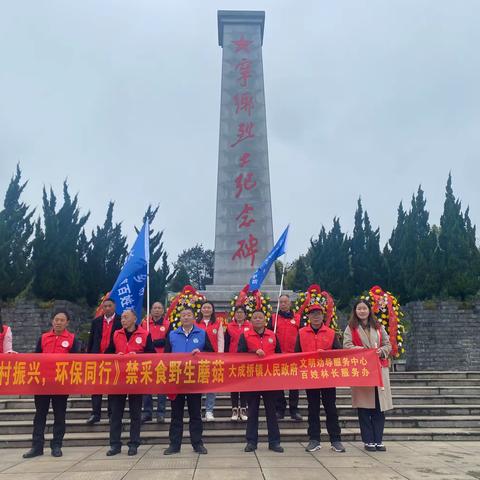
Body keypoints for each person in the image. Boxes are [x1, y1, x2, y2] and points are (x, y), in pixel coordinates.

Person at [23, 310, 80, 458]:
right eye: (56, 319)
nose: (58, 322)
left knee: (59, 415)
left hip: (61, 384)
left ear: (67, 322)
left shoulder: (72, 339)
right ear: (52, 321)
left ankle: (56, 445)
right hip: (43, 383)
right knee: (40, 415)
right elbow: (35, 359)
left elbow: (77, 362)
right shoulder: (43, 338)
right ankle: (37, 447)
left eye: (62, 320)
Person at [343, 299, 393, 452]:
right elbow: (347, 345)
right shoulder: (350, 328)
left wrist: (381, 351)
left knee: (379, 408)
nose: (362, 311)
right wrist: (363, 352)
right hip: (362, 371)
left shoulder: (378, 327)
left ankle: (378, 440)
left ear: (369, 310)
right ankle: (368, 440)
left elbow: (388, 344)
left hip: (378, 369)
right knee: (364, 408)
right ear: (355, 311)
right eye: (359, 308)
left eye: (364, 308)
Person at [295, 304, 346, 453]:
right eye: (313, 314)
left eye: (318, 314)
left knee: (331, 408)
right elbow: (297, 354)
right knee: (313, 408)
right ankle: (314, 439)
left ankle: (335, 440)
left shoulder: (331, 333)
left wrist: (326, 354)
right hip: (311, 376)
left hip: (328, 376)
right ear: (308, 317)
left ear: (323, 316)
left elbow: (339, 353)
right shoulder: (302, 332)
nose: (316, 316)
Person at [163, 307, 214, 455]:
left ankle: (197, 444)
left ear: (194, 318)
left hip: (195, 379)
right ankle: (174, 445)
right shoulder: (172, 334)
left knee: (195, 414)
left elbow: (211, 354)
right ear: (180, 317)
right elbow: (165, 356)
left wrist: (201, 353)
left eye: (189, 315)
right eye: (183, 315)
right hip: (176, 379)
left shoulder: (202, 333)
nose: (186, 317)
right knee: (176, 414)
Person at [105, 308, 155, 456]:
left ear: (135, 319)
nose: (123, 320)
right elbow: (107, 353)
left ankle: (134, 443)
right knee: (116, 413)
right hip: (119, 379)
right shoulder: (116, 334)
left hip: (136, 378)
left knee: (135, 413)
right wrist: (116, 355)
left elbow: (152, 355)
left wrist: (138, 356)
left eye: (126, 317)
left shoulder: (145, 335)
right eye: (122, 318)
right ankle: (115, 444)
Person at [238, 309, 284, 453]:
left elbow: (279, 355)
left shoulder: (272, 335)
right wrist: (253, 353)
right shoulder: (245, 336)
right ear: (251, 321)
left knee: (272, 412)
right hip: (252, 379)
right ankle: (251, 441)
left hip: (270, 379)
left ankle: (274, 442)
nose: (258, 320)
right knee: (252, 412)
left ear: (265, 320)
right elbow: (239, 356)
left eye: (260, 317)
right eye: (255, 318)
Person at [85, 297, 122, 425]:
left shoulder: (120, 320)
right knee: (96, 387)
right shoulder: (96, 322)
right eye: (105, 306)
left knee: (112, 387)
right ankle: (95, 413)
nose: (107, 308)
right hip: (97, 358)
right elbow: (91, 340)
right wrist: (89, 355)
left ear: (114, 306)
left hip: (113, 359)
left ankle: (112, 414)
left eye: (109, 306)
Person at [269, 294, 302, 421]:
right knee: (279, 384)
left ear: (290, 304)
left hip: (293, 356)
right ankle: (280, 409)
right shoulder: (273, 319)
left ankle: (294, 409)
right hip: (278, 356)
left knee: (294, 384)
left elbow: (303, 336)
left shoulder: (298, 318)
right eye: (281, 302)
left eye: (285, 302)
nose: (283, 304)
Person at [140, 301, 170, 423]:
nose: (157, 310)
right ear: (151, 310)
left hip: (162, 359)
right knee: (147, 387)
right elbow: (141, 339)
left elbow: (167, 341)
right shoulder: (144, 323)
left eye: (159, 308)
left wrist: (154, 342)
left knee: (161, 387)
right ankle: (147, 412)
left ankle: (161, 413)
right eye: (154, 308)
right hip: (147, 359)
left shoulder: (168, 324)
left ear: (163, 311)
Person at [196, 301, 224, 421]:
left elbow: (220, 340)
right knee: (198, 385)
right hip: (197, 358)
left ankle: (209, 410)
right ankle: (197, 410)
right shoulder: (195, 323)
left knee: (211, 386)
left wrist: (220, 356)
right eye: (204, 307)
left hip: (213, 358)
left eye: (209, 308)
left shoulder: (218, 323)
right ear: (201, 310)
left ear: (212, 310)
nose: (206, 309)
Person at [224, 305, 250, 421]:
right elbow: (226, 343)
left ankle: (243, 408)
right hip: (232, 358)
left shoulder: (250, 326)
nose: (239, 314)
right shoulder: (229, 327)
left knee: (244, 385)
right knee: (234, 384)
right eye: (237, 312)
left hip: (245, 359)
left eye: (241, 312)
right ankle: (234, 409)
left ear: (245, 314)